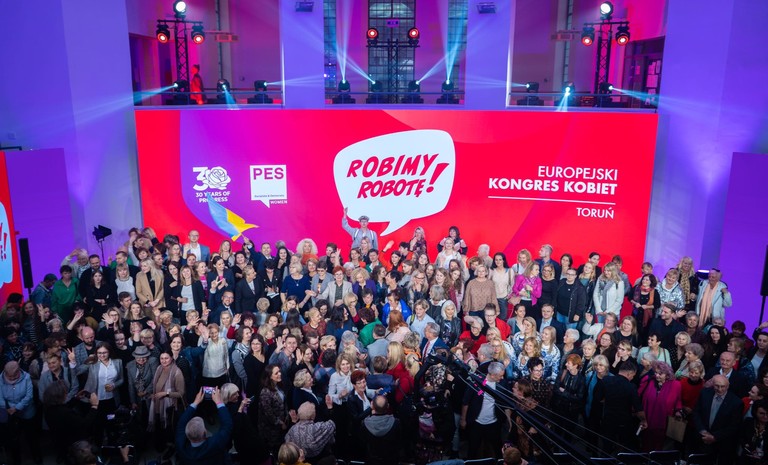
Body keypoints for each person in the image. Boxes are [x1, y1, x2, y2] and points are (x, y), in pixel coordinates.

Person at [692, 374, 743, 464]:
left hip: (721, 444)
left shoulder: (736, 402)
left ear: (728, 386)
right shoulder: (704, 393)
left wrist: (714, 437)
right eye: (717, 386)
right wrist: (703, 431)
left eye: (723, 386)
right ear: (713, 384)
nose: (720, 389)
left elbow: (734, 426)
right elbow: (696, 413)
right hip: (701, 439)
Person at [600, 361, 647, 454]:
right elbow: (638, 408)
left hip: (607, 418)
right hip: (623, 422)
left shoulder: (606, 380)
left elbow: (599, 398)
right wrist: (644, 420)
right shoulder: (631, 387)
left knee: (607, 445)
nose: (632, 378)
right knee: (626, 445)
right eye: (633, 375)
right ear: (629, 373)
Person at [175, 387, 233, 465]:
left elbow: (181, 423)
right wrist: (218, 402)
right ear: (205, 432)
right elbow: (227, 425)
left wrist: (195, 402)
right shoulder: (215, 444)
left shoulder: (180, 445)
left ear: (187, 435)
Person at [461, 361, 506, 459]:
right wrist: (463, 419)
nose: (502, 378)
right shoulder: (477, 382)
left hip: (494, 423)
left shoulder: (501, 384)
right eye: (500, 376)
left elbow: (505, 403)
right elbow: (466, 402)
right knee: (473, 449)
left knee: (498, 449)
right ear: (493, 375)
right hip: (477, 423)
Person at [0, 361, 40, 465]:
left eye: (14, 376)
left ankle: (36, 456)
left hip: (27, 411)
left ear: (19, 371)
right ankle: (16, 460)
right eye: (9, 376)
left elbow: (29, 396)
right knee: (13, 439)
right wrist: (6, 408)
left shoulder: (26, 377)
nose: (12, 378)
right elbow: (0, 396)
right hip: (9, 411)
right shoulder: (0, 379)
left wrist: (17, 407)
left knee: (31, 436)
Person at [639, 361, 682, 451]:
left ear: (667, 374)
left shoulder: (676, 385)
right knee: (645, 445)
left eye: (660, 374)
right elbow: (639, 395)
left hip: (664, 422)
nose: (657, 375)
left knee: (659, 447)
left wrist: (678, 411)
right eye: (656, 372)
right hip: (647, 420)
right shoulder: (649, 381)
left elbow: (678, 400)